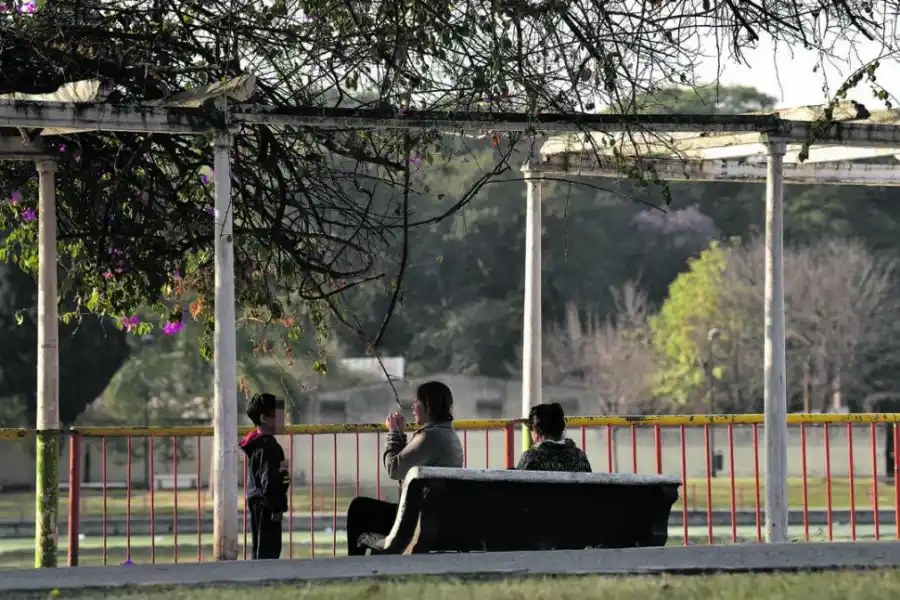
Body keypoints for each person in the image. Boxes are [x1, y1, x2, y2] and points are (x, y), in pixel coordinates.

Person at [345, 381, 464, 555]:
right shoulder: (447, 435)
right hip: (434, 516)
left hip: (419, 521)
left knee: (359, 509)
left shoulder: (431, 437)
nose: (413, 408)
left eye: (417, 403)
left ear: (428, 407)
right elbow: (408, 463)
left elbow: (394, 469)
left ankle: (355, 568)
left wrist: (393, 433)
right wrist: (400, 437)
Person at [240, 392, 291, 560]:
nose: (283, 419)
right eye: (279, 415)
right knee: (268, 550)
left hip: (258, 501)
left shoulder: (259, 444)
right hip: (267, 505)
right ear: (264, 418)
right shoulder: (269, 447)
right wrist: (276, 508)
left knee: (261, 545)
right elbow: (269, 481)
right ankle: (264, 579)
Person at [517, 403, 592, 472]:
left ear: (535, 429)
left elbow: (517, 483)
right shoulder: (580, 457)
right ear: (562, 426)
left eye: (530, 429)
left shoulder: (531, 458)